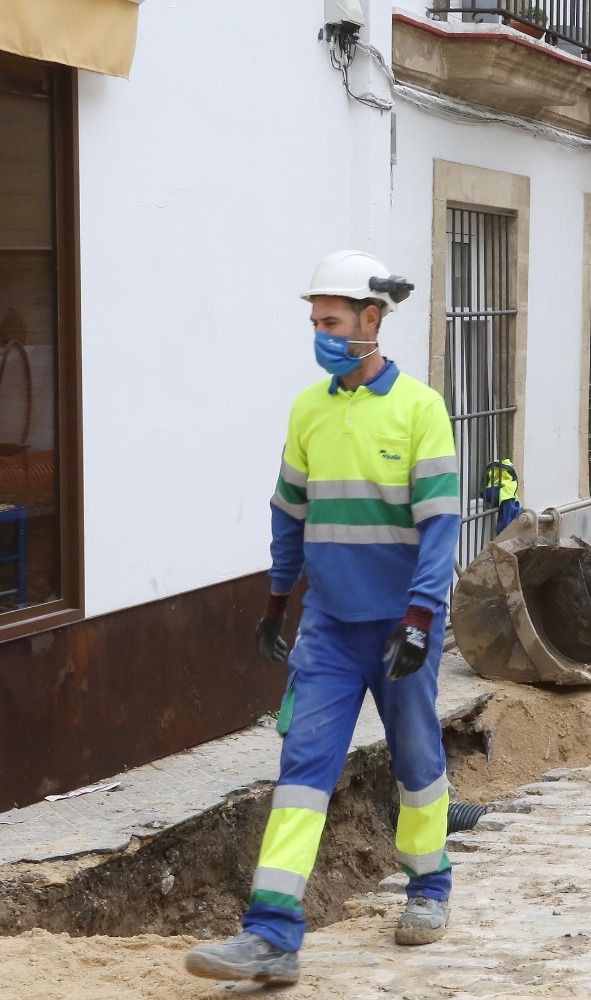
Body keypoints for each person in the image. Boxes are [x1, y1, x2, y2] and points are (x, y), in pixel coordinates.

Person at [186, 251, 461, 986]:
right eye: (315, 322)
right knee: (302, 771)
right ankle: (273, 934)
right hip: (331, 629)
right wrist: (278, 599)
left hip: (403, 625)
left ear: (372, 321)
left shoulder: (420, 409)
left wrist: (422, 617)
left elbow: (440, 527)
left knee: (415, 759)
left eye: (332, 321)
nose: (321, 333)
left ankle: (429, 888)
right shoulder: (308, 410)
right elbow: (288, 513)